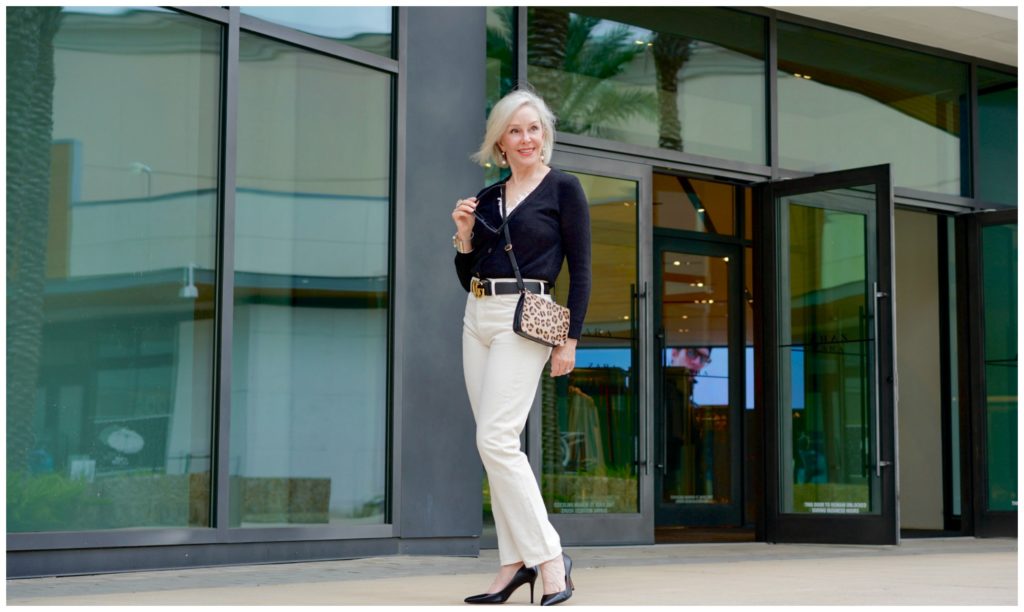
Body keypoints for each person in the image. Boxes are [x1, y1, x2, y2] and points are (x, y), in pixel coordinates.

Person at [451, 89, 591, 607]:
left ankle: (551, 559)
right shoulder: (488, 198)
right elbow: (468, 273)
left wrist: (569, 339)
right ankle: (513, 565)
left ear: (544, 134)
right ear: (500, 142)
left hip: (528, 317)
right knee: (491, 445)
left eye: (533, 128)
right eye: (515, 130)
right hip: (477, 316)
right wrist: (465, 237)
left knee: (497, 439)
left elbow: (582, 269)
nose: (526, 138)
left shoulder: (564, 189)